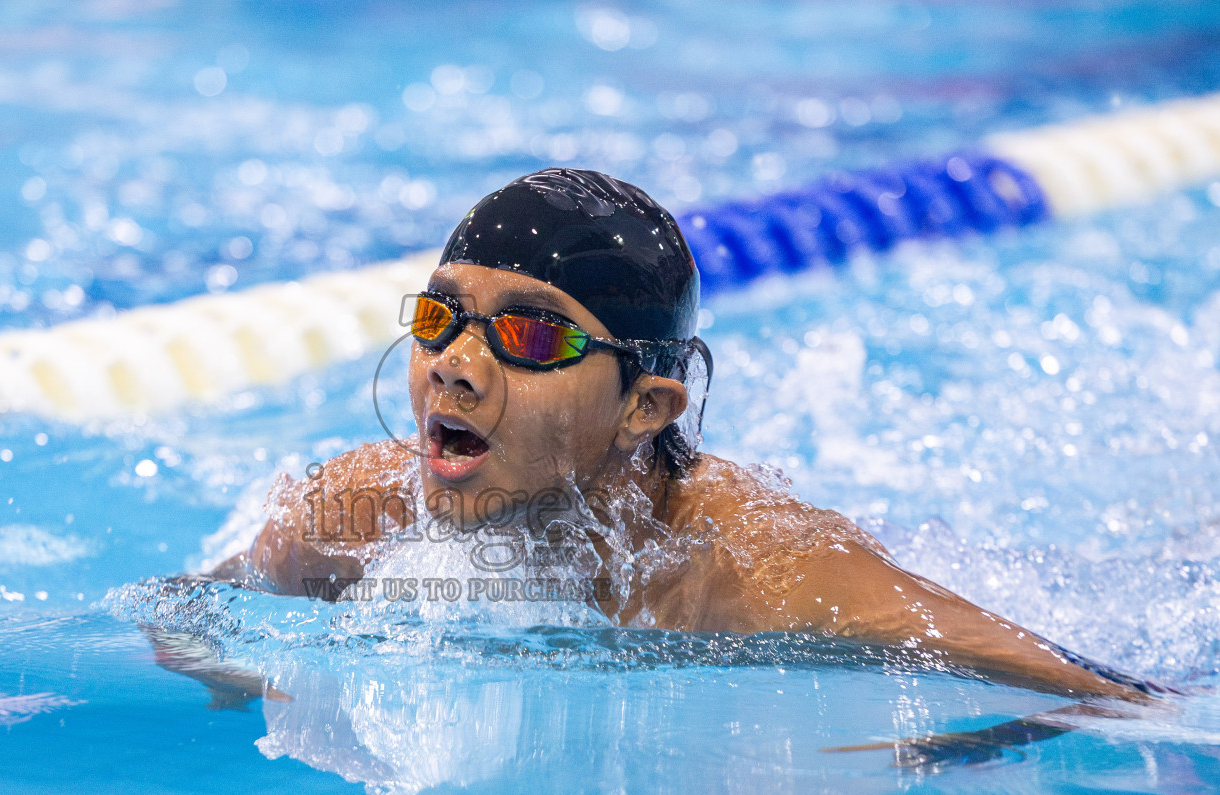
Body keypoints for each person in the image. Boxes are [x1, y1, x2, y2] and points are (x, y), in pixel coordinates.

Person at [210, 167, 1156, 703]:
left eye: (531, 333)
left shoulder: (751, 569)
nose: (456, 362)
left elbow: (1107, 692)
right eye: (439, 317)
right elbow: (190, 626)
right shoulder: (353, 516)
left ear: (645, 408)